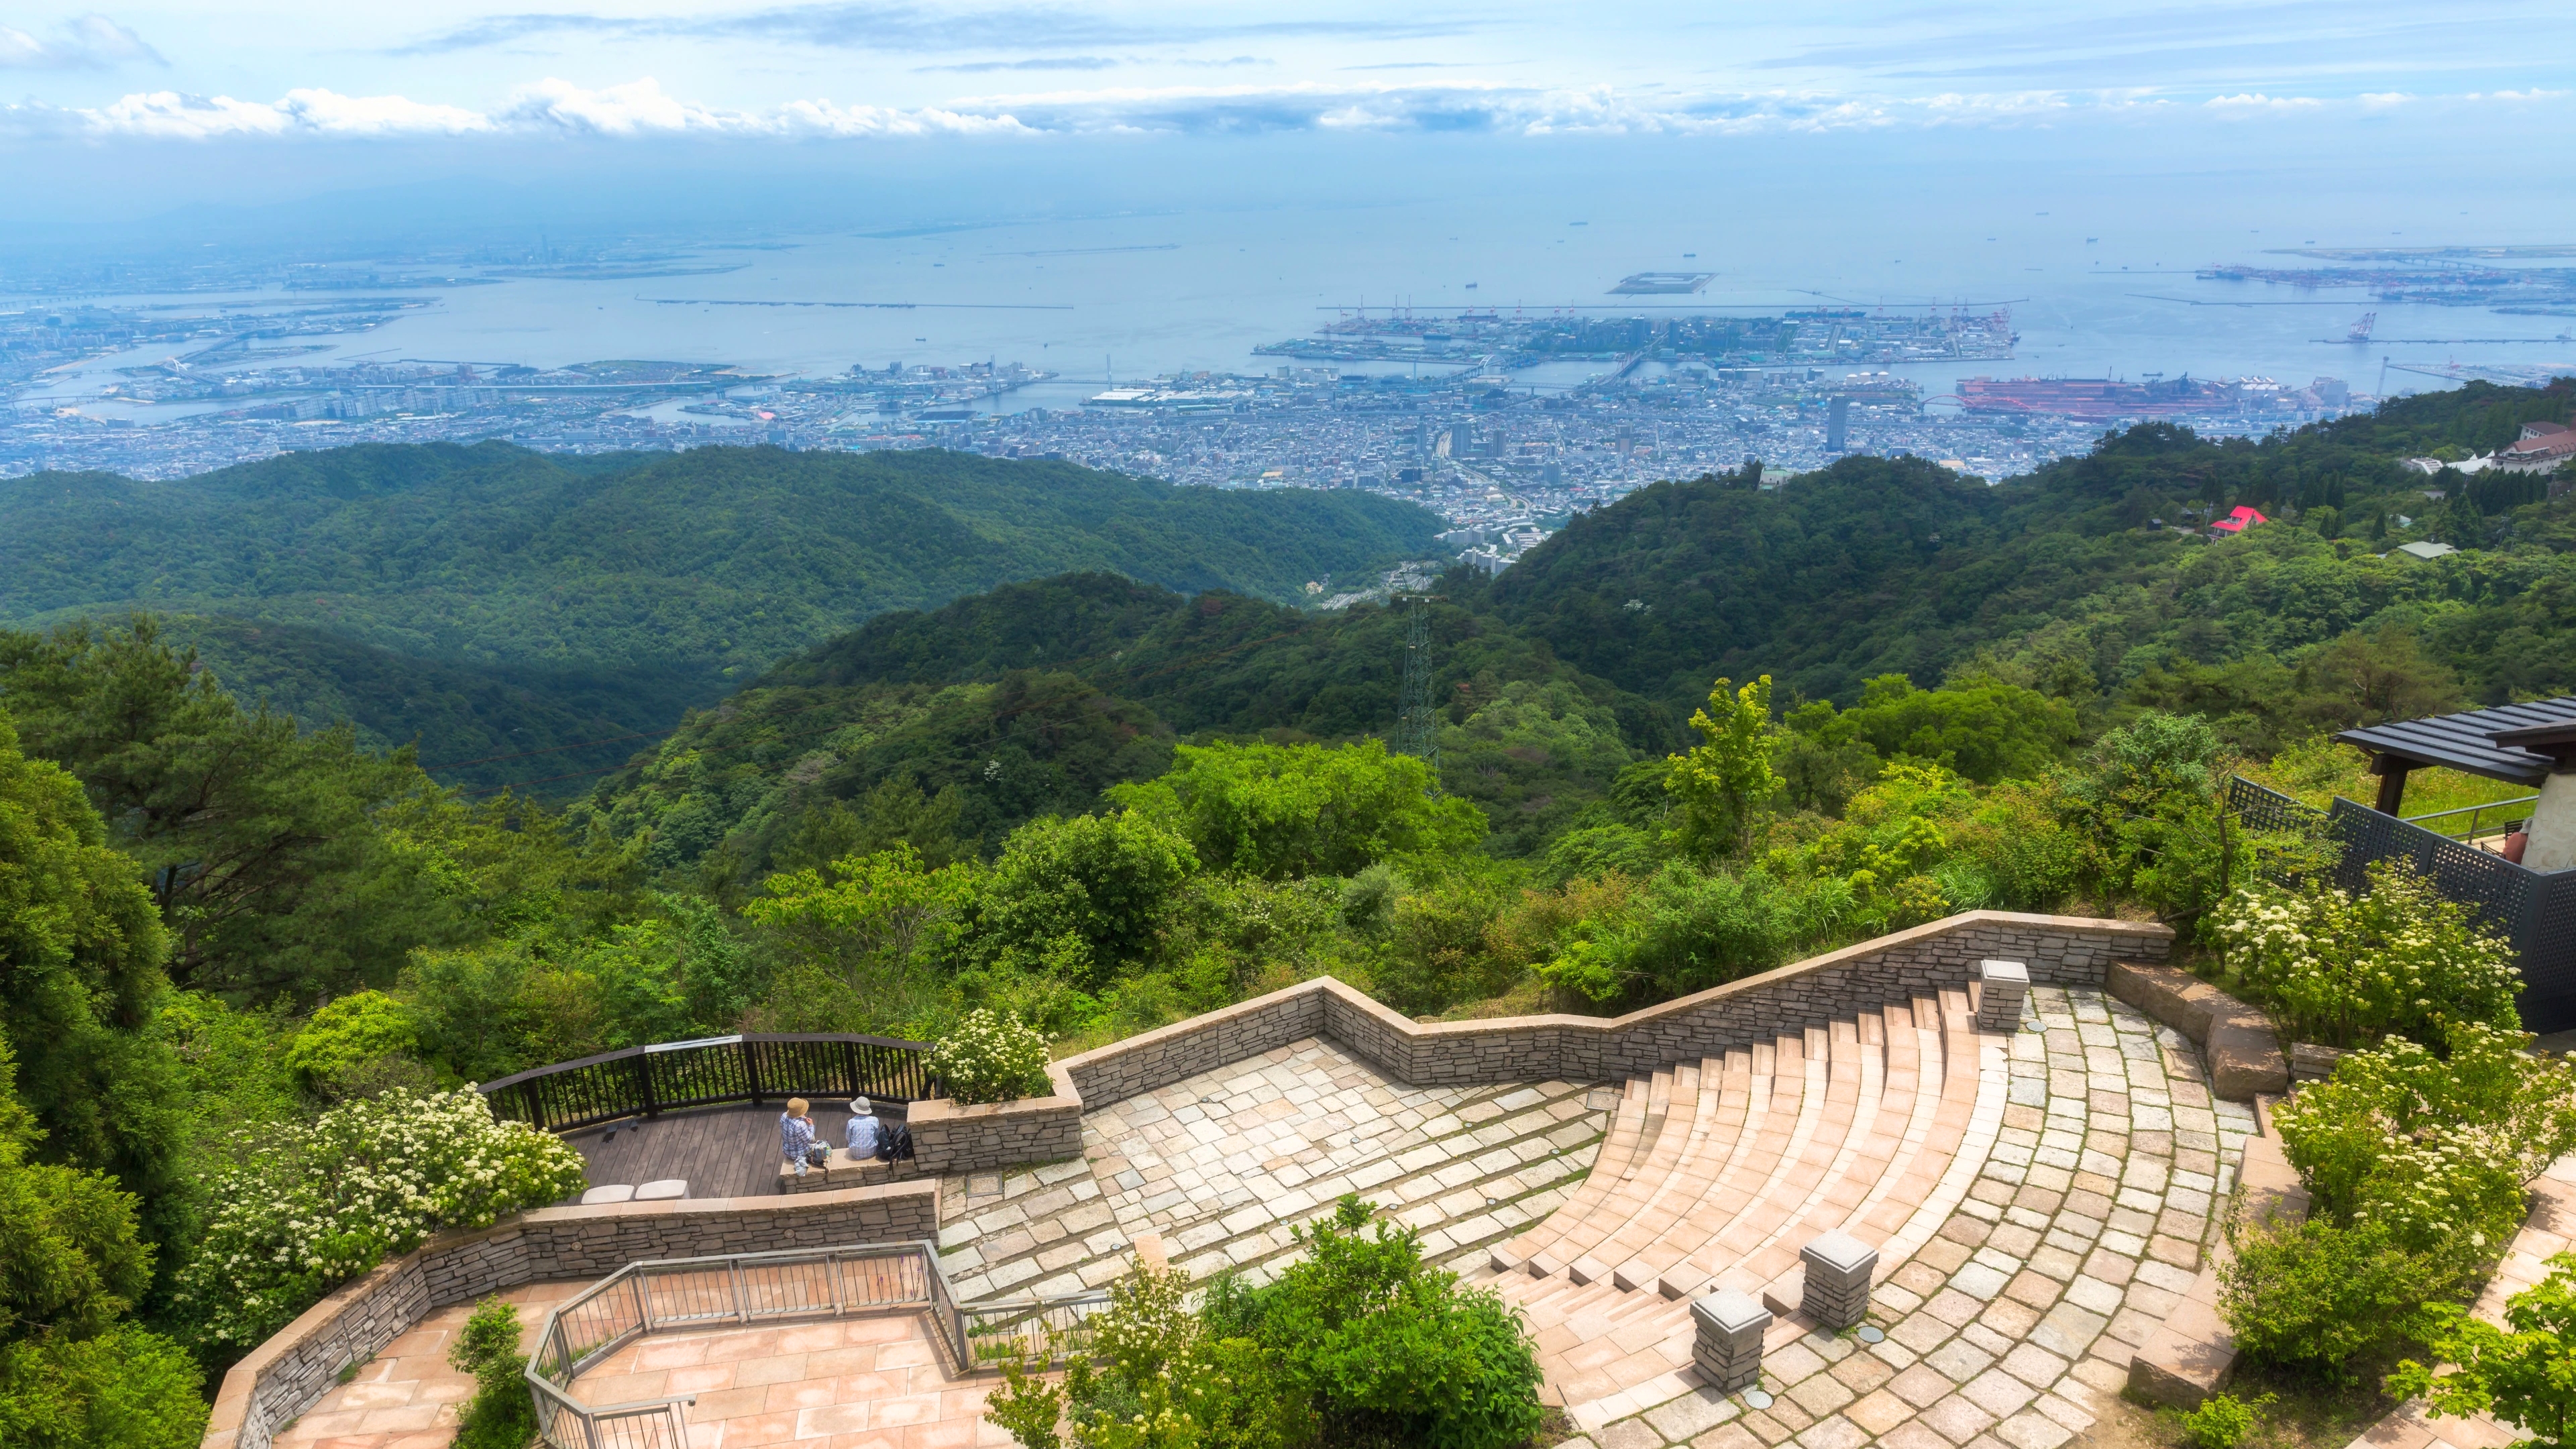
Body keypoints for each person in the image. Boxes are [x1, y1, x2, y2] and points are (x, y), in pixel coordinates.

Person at [780, 1097, 818, 1177]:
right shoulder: (800, 1125)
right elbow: (810, 1140)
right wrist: (811, 1125)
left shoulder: (784, 1116)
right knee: (825, 1145)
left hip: (787, 1151)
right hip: (799, 1153)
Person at [847, 1097, 881, 1161]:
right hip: (871, 1152)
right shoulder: (874, 1120)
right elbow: (877, 1136)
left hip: (855, 1153)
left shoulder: (851, 1122)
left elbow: (848, 1138)